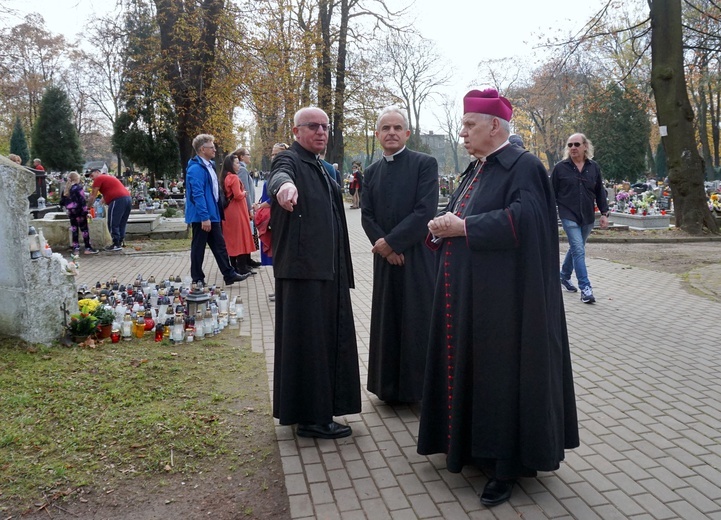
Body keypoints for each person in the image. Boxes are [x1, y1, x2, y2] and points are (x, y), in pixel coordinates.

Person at [417, 89, 579, 507]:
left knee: (500, 378)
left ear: (494, 126)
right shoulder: (476, 169)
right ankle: (471, 448)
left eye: (469, 124)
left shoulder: (524, 166)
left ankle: (506, 465)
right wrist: (442, 225)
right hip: (469, 296)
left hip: (506, 304)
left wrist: (465, 227)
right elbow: (462, 212)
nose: (462, 132)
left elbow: (527, 220)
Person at [268, 107, 360, 439]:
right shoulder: (291, 161)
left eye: (325, 126)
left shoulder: (320, 166)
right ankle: (312, 418)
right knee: (310, 343)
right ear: (296, 131)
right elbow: (279, 175)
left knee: (322, 341)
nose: (321, 132)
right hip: (305, 271)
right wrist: (284, 189)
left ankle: (316, 410)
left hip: (325, 268)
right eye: (313, 127)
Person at [360, 106, 438, 404]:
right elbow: (366, 215)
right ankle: (388, 388)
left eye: (397, 128)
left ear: (407, 133)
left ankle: (418, 391)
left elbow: (425, 210)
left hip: (416, 256)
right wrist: (384, 246)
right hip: (386, 259)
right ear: (377, 134)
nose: (391, 132)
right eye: (385, 128)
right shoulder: (372, 171)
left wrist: (392, 243)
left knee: (416, 320)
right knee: (387, 320)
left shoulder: (424, 164)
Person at [551, 133, 609, 304]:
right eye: (569, 145)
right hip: (568, 214)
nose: (573, 148)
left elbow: (599, 192)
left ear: (585, 146)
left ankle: (564, 275)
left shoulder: (594, 167)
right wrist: (548, 215)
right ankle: (586, 288)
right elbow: (550, 194)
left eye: (576, 144)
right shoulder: (560, 168)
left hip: (588, 216)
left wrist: (604, 214)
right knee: (578, 249)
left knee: (577, 248)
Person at [185, 134, 250, 286]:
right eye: (211, 147)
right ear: (202, 149)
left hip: (212, 213)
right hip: (202, 216)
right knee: (198, 247)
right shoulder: (195, 168)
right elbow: (197, 194)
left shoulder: (209, 165)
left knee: (219, 245)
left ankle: (229, 274)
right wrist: (204, 217)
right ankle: (197, 278)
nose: (214, 149)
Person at [253, 142, 289, 302]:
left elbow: (274, 199)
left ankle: (284, 291)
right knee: (277, 257)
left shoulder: (285, 173)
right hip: (273, 221)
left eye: (277, 154)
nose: (274, 157)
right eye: (273, 154)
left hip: (279, 221)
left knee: (280, 255)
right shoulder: (274, 172)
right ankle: (280, 289)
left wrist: (261, 205)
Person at [220, 154, 257, 276]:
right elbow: (237, 195)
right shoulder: (234, 178)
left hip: (229, 211)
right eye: (236, 163)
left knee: (231, 238)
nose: (239, 165)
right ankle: (242, 266)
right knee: (240, 237)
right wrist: (244, 193)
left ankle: (234, 266)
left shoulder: (225, 177)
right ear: (231, 165)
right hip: (237, 210)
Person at [86, 168, 132, 251]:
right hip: (127, 198)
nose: (91, 178)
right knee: (122, 222)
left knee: (112, 222)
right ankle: (120, 242)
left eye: (92, 175)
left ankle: (116, 243)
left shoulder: (99, 178)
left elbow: (93, 195)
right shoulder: (108, 177)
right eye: (89, 177)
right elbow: (106, 194)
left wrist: (88, 207)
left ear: (97, 172)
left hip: (117, 199)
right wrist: (99, 204)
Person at [233, 148, 261, 270]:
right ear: (241, 157)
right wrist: (249, 208)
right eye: (248, 155)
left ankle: (247, 259)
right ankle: (244, 261)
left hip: (246, 207)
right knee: (248, 233)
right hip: (245, 207)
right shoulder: (242, 170)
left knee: (250, 233)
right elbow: (246, 191)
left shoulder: (243, 169)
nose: (250, 157)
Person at [60, 171, 99, 255]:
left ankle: (76, 248)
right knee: (84, 230)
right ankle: (87, 248)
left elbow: (61, 202)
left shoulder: (66, 189)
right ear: (77, 179)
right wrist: (86, 212)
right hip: (80, 212)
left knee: (74, 229)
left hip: (71, 212)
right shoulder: (78, 188)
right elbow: (82, 201)